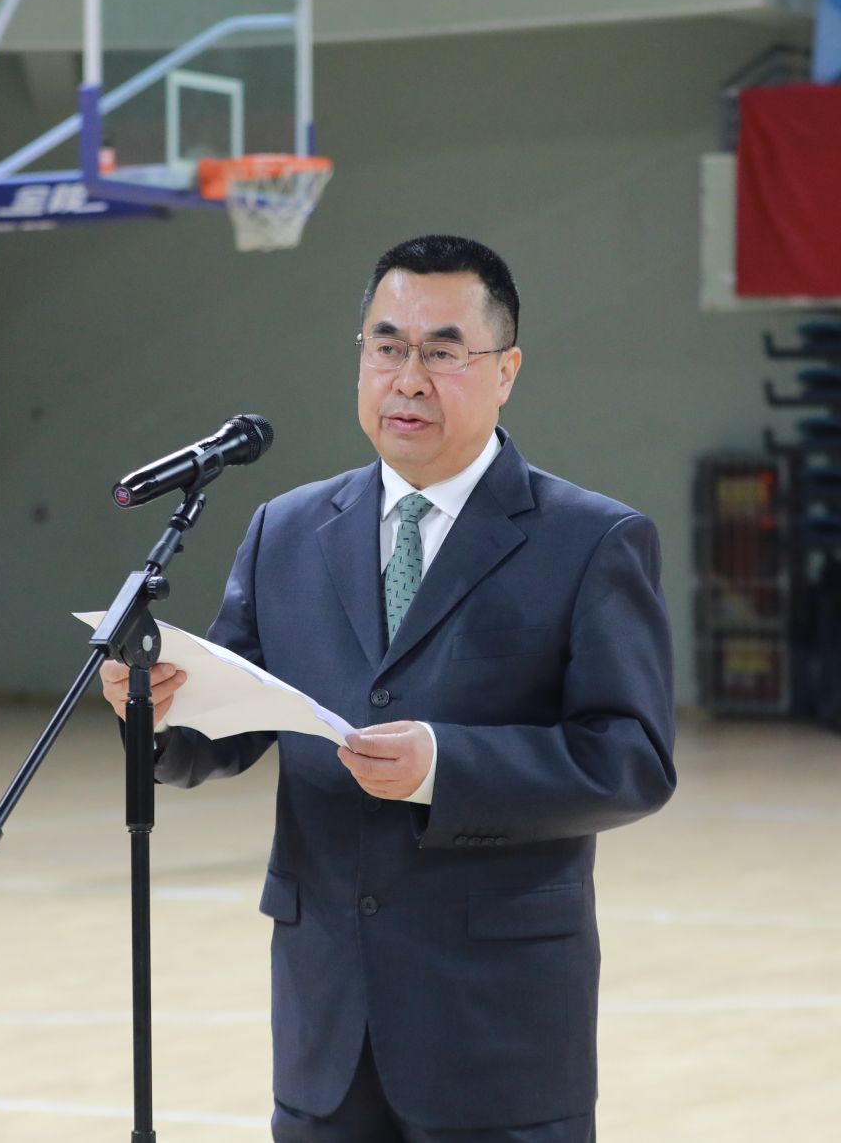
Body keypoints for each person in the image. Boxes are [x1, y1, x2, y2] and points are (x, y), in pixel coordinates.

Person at [102, 235, 676, 1142]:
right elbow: (226, 729)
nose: (408, 378)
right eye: (387, 346)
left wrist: (444, 766)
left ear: (506, 370)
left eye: (443, 351)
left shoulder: (591, 541)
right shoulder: (286, 529)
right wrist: (160, 709)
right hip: (326, 1017)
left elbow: (632, 760)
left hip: (498, 1027)